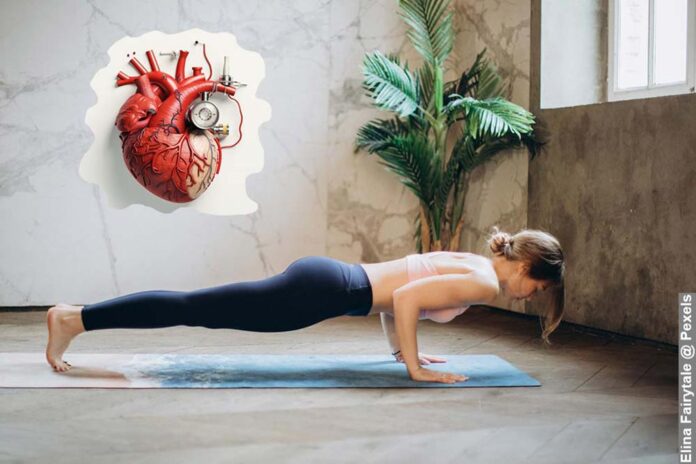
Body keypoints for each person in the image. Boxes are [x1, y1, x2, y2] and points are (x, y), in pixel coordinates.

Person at [45, 227, 565, 384]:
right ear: (525, 270)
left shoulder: (473, 262)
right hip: (323, 291)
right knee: (194, 306)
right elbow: (405, 298)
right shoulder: (481, 284)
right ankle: (74, 318)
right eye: (537, 289)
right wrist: (413, 368)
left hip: (328, 281)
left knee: (197, 305)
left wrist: (402, 352)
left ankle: (77, 317)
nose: (530, 297)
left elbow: (401, 293)